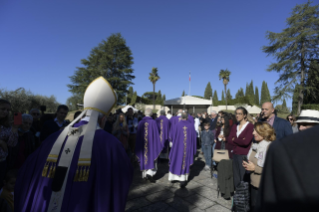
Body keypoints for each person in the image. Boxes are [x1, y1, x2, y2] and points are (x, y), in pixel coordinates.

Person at [14, 77, 133, 212]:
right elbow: (123, 176)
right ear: (103, 119)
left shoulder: (53, 138)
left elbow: (27, 170)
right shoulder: (111, 145)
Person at [255, 125, 319, 212]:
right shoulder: (280, 148)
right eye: (300, 124)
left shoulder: (280, 148)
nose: (300, 128)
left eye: (305, 124)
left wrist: (255, 168)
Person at [242, 122, 275, 211]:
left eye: (256, 131)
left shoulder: (270, 147)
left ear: (265, 132)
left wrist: (254, 168)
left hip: (263, 186)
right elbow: (252, 160)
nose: (253, 133)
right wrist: (247, 164)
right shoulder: (255, 145)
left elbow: (272, 168)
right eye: (253, 130)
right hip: (253, 183)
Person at [168, 112, 197, 187]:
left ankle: (174, 177)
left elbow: (171, 136)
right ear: (187, 117)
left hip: (177, 147)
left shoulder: (176, 125)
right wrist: (194, 148)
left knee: (176, 159)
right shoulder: (191, 125)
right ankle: (182, 179)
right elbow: (194, 138)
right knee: (185, 160)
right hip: (187, 147)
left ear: (181, 117)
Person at [228, 107, 254, 188]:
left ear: (244, 115)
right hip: (235, 154)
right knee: (236, 176)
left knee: (244, 177)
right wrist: (240, 140)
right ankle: (238, 196)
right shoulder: (235, 125)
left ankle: (244, 197)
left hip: (244, 155)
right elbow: (229, 140)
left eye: (239, 114)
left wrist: (235, 139)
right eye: (236, 113)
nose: (237, 115)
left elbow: (246, 142)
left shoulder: (250, 126)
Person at [135, 108, 162, 182]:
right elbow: (158, 132)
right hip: (151, 144)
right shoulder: (153, 122)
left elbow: (138, 134)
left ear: (144, 114)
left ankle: (144, 175)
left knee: (143, 157)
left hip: (142, 144)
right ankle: (150, 174)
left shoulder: (140, 122)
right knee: (151, 157)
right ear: (151, 114)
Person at [0, 99, 18, 189]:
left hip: (2, 162)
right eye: (3, 109)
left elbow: (11, 144)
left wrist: (14, 129)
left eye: (8, 110)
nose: (5, 112)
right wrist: (1, 142)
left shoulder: (7, 125)